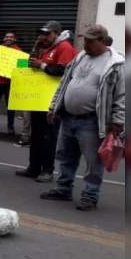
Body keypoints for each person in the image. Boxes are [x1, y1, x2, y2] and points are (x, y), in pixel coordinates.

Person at [40, 25, 124, 211]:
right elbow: (64, 83)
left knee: (93, 161)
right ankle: (63, 189)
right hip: (69, 117)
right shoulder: (80, 57)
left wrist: (118, 120)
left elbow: (122, 95)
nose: (85, 44)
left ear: (102, 41)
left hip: (92, 121)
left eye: (90, 41)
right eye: (84, 40)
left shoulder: (116, 64)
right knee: (66, 156)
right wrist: (54, 107)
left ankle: (90, 195)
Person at [15, 20, 78, 182]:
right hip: (38, 99)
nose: (44, 36)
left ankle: (47, 170)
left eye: (47, 34)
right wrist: (35, 47)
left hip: (51, 102)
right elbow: (32, 63)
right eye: (42, 33)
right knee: (36, 135)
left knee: (48, 137)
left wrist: (41, 65)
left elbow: (62, 71)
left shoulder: (65, 48)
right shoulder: (47, 48)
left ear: (57, 33)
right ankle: (33, 167)